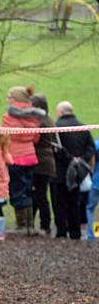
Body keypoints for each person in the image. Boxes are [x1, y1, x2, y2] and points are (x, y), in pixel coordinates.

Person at [1, 86, 42, 234]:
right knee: (28, 190)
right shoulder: (35, 116)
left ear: (15, 99)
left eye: (9, 97)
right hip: (31, 157)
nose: (7, 100)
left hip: (15, 158)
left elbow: (5, 136)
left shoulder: (8, 116)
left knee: (17, 191)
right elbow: (36, 138)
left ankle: (22, 226)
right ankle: (30, 226)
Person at [51, 101, 95, 239]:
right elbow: (90, 148)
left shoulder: (56, 128)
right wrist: (80, 160)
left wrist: (69, 159)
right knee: (75, 202)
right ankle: (75, 232)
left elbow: (55, 150)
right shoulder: (84, 127)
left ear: (60, 112)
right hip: (78, 174)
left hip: (59, 172)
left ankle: (62, 231)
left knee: (59, 203)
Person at [29, 93, 57, 236]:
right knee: (39, 194)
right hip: (47, 162)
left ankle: (43, 225)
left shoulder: (39, 121)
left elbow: (33, 139)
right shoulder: (49, 119)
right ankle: (38, 225)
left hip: (40, 162)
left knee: (38, 195)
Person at [86, 138, 99, 241]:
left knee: (90, 209)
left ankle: (92, 235)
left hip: (96, 181)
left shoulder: (96, 144)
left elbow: (92, 161)